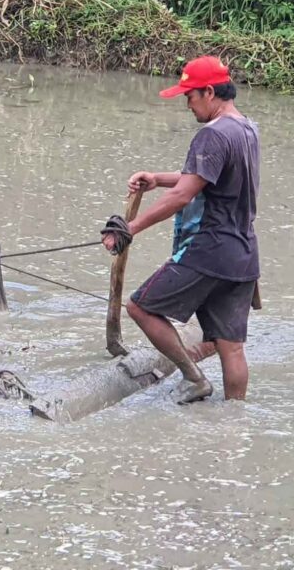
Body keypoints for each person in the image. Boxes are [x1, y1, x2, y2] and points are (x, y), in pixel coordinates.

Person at [101, 55, 260, 404]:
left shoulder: (211, 135)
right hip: (243, 253)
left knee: (140, 307)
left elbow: (183, 194)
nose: (187, 105)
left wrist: (131, 228)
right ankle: (234, 421)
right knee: (231, 348)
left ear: (208, 92)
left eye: (190, 96)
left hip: (210, 249)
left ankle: (194, 378)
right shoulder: (247, 128)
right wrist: (157, 179)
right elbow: (203, 179)